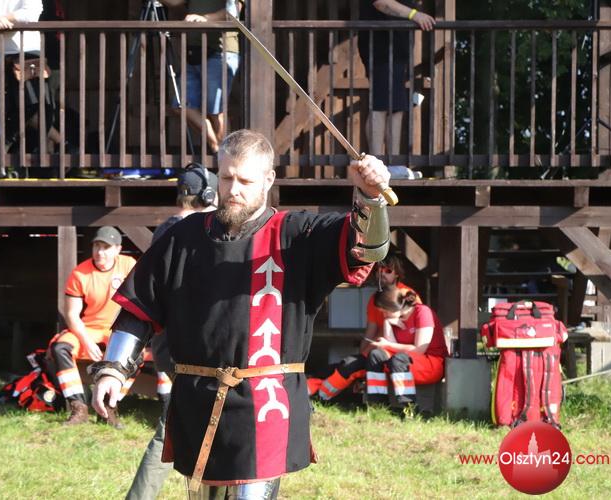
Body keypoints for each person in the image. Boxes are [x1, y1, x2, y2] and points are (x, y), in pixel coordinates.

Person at [90, 129, 391, 497]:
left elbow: (367, 249)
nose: (233, 190)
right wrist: (113, 368)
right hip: (197, 400)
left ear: (268, 180)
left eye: (245, 181)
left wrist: (370, 198)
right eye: (227, 177)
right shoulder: (182, 238)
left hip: (266, 403)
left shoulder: (297, 235)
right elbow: (141, 306)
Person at [125, 163, 219, 500]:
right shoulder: (197, 232)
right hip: (193, 347)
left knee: (184, 427)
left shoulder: (166, 228)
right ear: (208, 194)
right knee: (180, 429)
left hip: (169, 344)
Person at [48, 226, 137, 426]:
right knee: (60, 348)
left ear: (118, 249)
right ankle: (78, 407)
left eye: (106, 247)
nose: (100, 252)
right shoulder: (80, 273)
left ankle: (109, 406)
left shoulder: (129, 265)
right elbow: (72, 314)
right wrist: (87, 342)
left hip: (119, 329)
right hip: (88, 329)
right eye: (97, 246)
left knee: (136, 354)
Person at [312, 252, 422, 400]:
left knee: (355, 364)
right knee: (346, 364)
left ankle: (319, 395)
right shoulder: (374, 299)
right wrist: (362, 356)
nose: (382, 273)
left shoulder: (408, 295)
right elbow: (370, 333)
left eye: (388, 270)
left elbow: (415, 336)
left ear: (397, 273)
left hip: (400, 356)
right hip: (378, 351)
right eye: (379, 270)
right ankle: (318, 395)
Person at [318, 284, 446, 410]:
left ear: (393, 308)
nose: (383, 315)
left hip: (431, 362)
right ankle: (378, 406)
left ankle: (408, 407)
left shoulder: (422, 312)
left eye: (385, 312)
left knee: (398, 360)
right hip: (404, 359)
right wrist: (387, 323)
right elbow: (390, 348)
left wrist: (387, 344)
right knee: (374, 356)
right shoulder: (394, 319)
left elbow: (419, 350)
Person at [0, 0, 61, 159]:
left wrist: (2, 19)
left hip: (28, 50)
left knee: (37, 103)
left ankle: (7, 144)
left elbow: (32, 12)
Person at [359, 0, 434, 177]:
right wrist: (414, 14)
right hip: (381, 49)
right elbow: (381, 2)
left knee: (396, 108)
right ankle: (376, 166)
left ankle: (393, 164)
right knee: (380, 107)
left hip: (397, 51)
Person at [161, 0, 243, 153]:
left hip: (220, 50)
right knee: (181, 104)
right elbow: (175, 3)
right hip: (193, 51)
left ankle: (226, 156)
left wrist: (206, 18)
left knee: (216, 111)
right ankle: (218, 148)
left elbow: (234, 9)